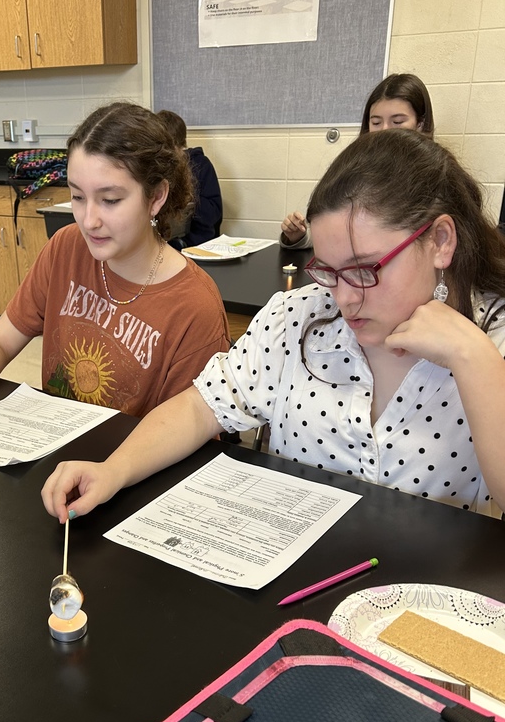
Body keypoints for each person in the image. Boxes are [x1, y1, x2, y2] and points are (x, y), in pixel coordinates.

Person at [42, 129, 505, 524]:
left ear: (440, 241)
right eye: (329, 270)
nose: (344, 297)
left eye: (365, 269)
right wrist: (114, 470)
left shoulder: (493, 335)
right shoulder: (299, 316)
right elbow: (201, 408)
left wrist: (475, 360)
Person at [0, 102, 230, 419]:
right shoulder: (66, 247)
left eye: (110, 200)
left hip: (131, 468)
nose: (89, 220)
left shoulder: (195, 306)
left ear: (156, 197)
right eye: (77, 196)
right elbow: (1, 340)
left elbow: (185, 429)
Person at [281, 73, 434, 249]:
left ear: (420, 124)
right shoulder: (356, 168)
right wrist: (299, 237)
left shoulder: (433, 176)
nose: (384, 131)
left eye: (397, 121)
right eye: (376, 122)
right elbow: (338, 240)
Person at [157, 109, 223, 247]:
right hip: (161, 240)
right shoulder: (155, 166)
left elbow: (214, 213)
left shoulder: (200, 165)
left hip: (195, 241)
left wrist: (188, 193)